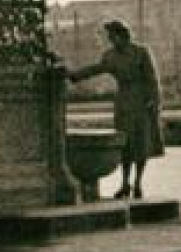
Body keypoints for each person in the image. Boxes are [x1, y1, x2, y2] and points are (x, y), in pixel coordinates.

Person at [68, 20, 165, 199]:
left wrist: (154, 102)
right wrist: (74, 75)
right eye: (110, 37)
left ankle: (138, 183)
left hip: (142, 102)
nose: (111, 40)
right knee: (124, 144)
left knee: (141, 144)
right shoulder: (110, 56)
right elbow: (97, 69)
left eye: (112, 36)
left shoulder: (141, 52)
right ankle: (125, 183)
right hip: (123, 102)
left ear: (122, 35)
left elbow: (152, 79)